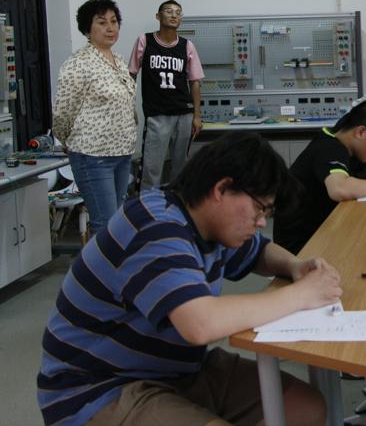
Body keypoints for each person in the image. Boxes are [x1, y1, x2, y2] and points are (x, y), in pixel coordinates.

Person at [37, 132, 342, 426]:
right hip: (100, 388)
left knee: (304, 409)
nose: (261, 222)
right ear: (222, 189)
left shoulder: (206, 221)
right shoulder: (156, 226)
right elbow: (200, 324)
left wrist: (295, 266)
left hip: (175, 369)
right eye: (260, 208)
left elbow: (258, 251)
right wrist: (302, 294)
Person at [274, 99, 366, 255]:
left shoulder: (346, 143)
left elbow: (365, 163)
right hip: (302, 245)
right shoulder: (329, 148)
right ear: (361, 132)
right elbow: (339, 189)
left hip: (324, 228)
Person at [53, 0, 137, 235]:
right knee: (105, 225)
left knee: (117, 222)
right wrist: (67, 139)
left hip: (122, 151)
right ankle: (99, 261)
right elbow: (63, 111)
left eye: (114, 21)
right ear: (87, 29)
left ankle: (114, 260)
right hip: (93, 154)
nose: (110, 28)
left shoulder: (118, 61)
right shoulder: (78, 64)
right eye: (102, 22)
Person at [128, 0, 204, 189]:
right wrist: (129, 106)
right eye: (169, 11)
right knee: (151, 167)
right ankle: (148, 204)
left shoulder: (187, 45)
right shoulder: (145, 41)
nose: (174, 15)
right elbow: (131, 76)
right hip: (157, 114)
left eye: (178, 12)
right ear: (158, 16)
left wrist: (197, 115)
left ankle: (177, 202)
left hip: (184, 113)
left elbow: (194, 82)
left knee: (181, 167)